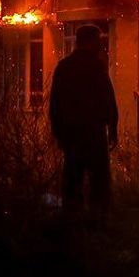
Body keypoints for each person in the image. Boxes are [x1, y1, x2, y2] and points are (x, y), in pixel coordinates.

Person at [49, 23, 118, 218]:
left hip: (72, 135)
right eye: (98, 41)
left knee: (73, 180)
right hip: (93, 133)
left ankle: (72, 224)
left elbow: (55, 104)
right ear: (90, 41)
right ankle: (98, 224)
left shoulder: (64, 67)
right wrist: (112, 127)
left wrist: (59, 134)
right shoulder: (96, 66)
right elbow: (108, 98)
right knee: (99, 182)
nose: (100, 45)